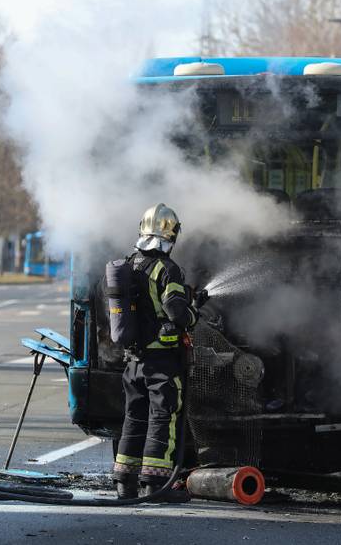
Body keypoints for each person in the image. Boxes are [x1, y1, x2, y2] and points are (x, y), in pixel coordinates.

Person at [111, 203, 204, 501]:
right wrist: (193, 314)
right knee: (164, 417)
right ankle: (156, 486)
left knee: (134, 417)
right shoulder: (167, 269)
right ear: (172, 234)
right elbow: (176, 310)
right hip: (162, 360)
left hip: (134, 361)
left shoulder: (129, 264)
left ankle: (125, 484)